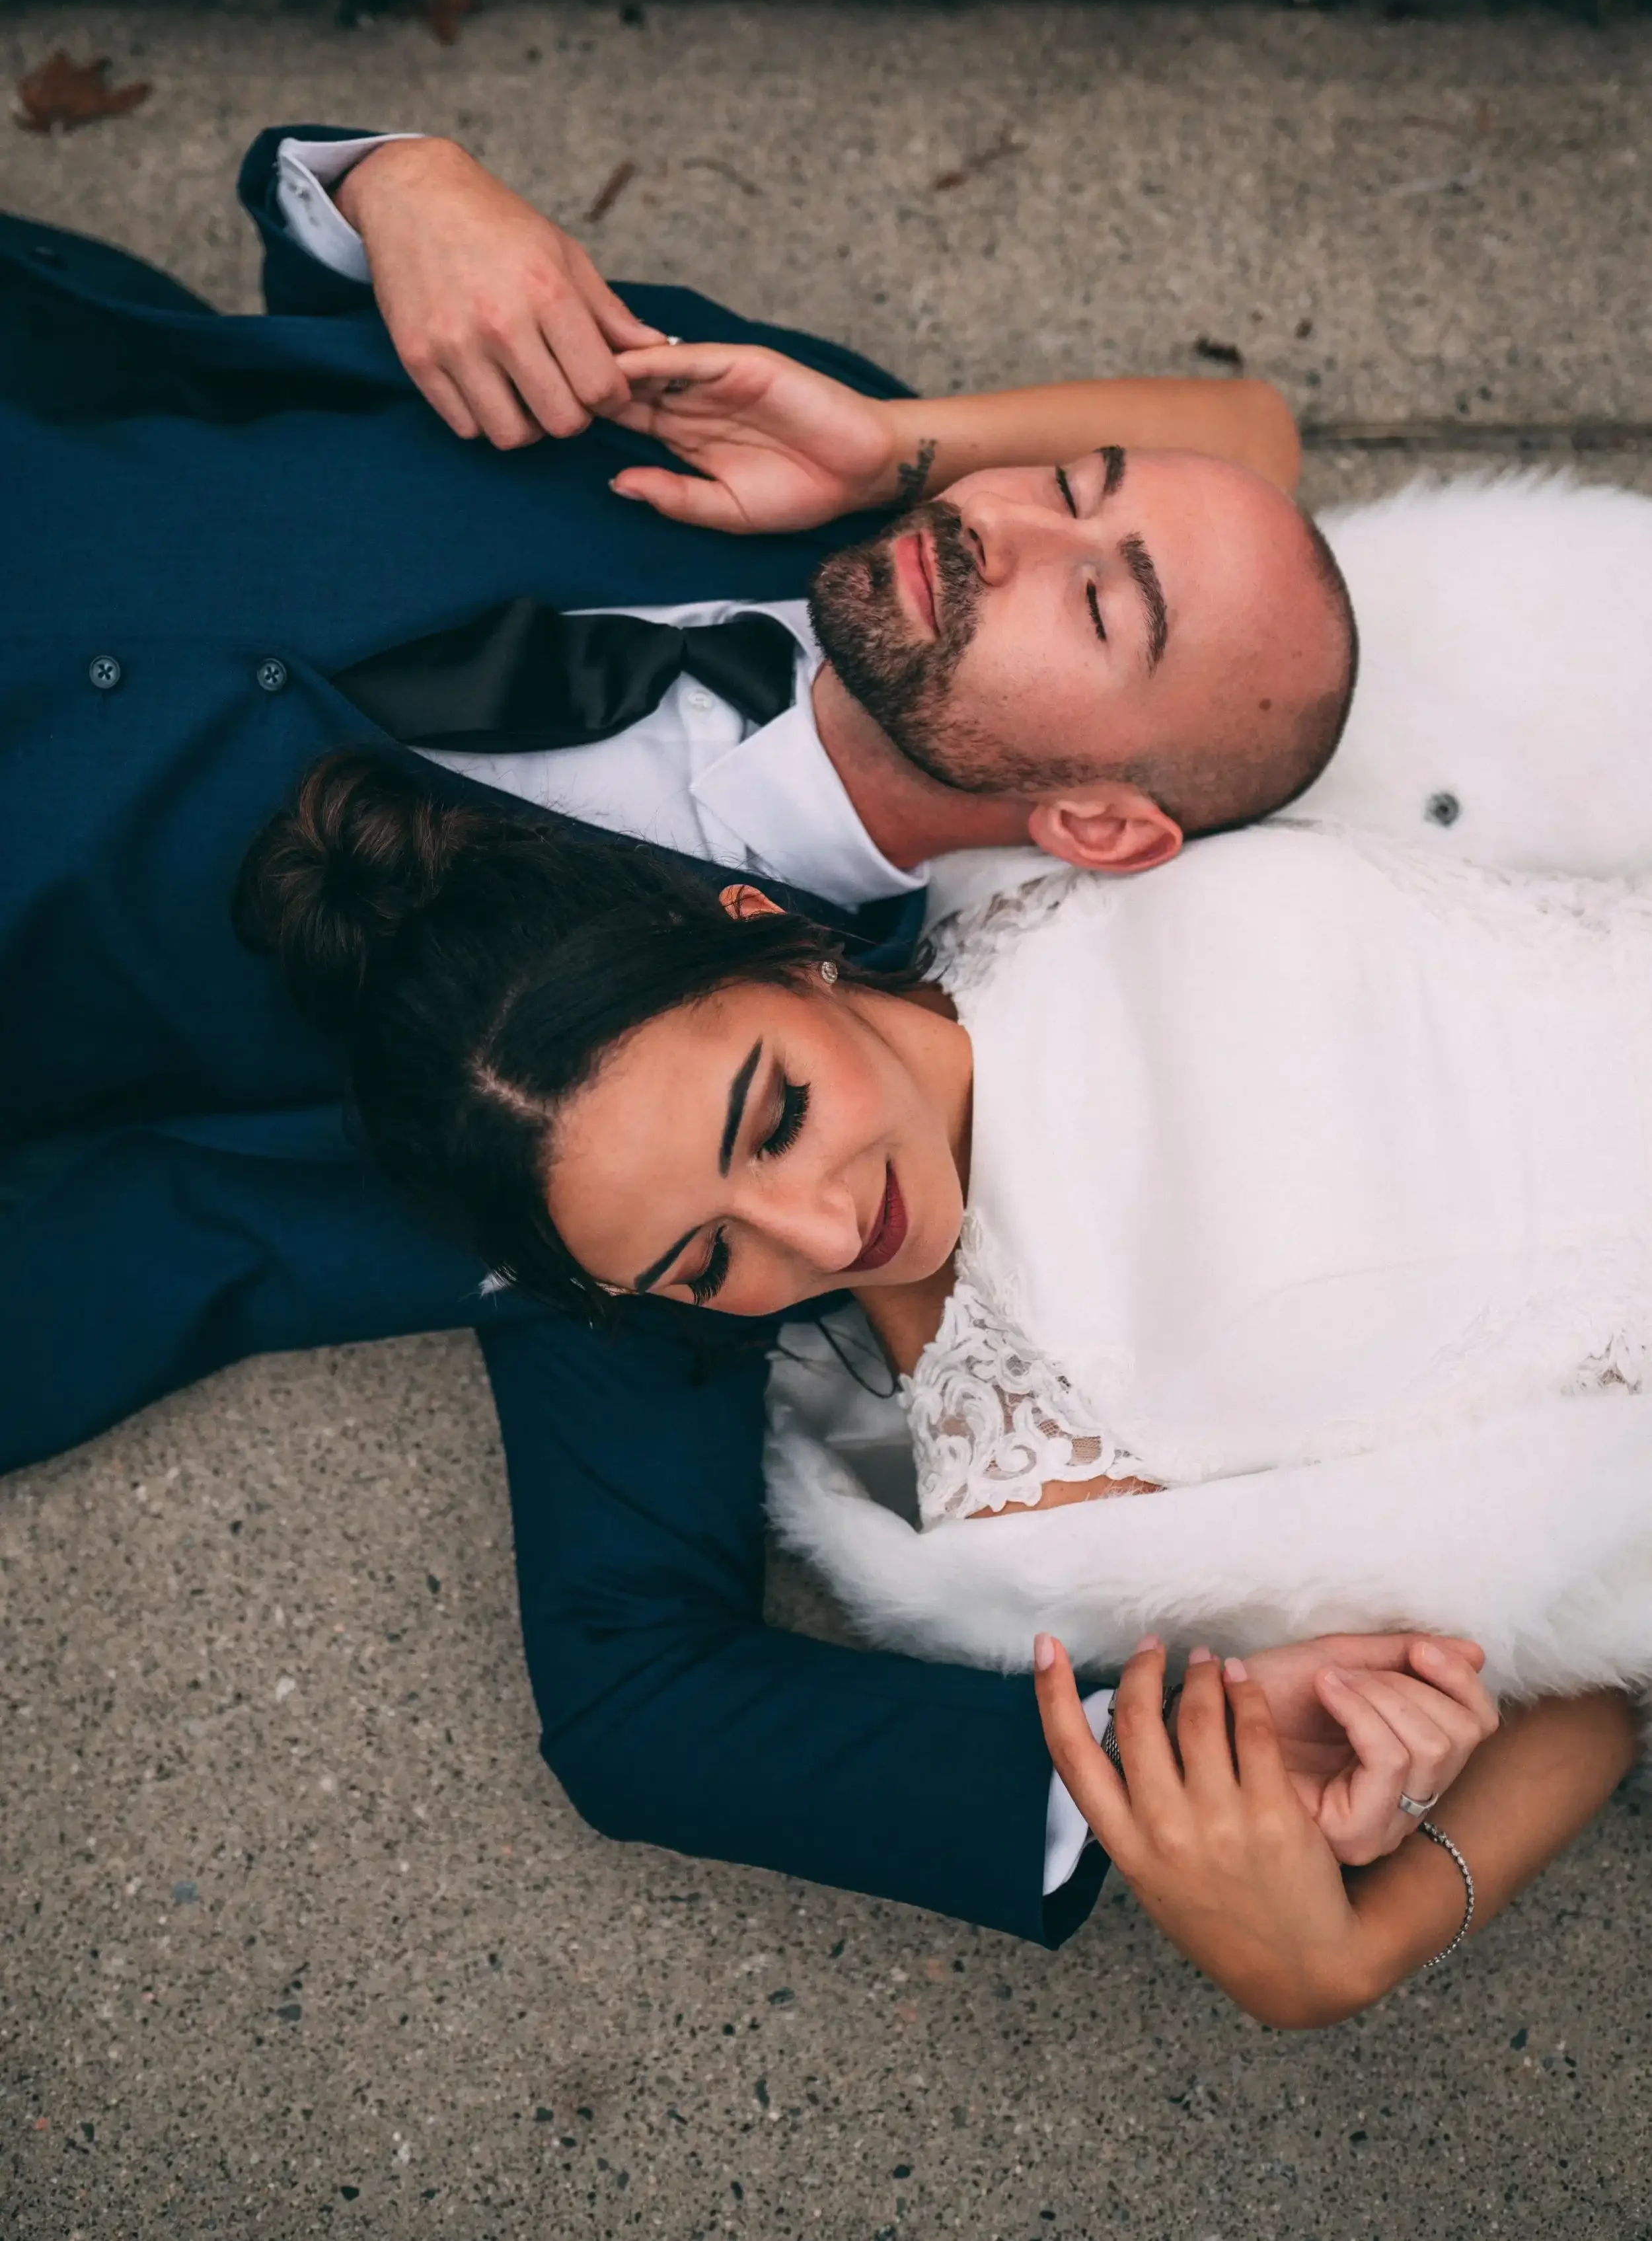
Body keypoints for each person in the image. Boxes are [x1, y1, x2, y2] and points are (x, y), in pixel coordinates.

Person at [0, 122, 1369, 1952]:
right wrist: (406, 179)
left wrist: (1172, 1770)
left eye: (1094, 595)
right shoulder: (805, 441)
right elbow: (1248, 436)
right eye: (1063, 478)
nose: (1002, 523)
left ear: (1099, 828)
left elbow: (642, 1698)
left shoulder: (747, 1124)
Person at [237, 745, 1648, 2026]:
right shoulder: (1043, 1502)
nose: (818, 1228)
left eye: (776, 1114)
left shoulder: (1052, 821)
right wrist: (1377, 1913)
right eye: (703, 1255)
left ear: (761, 937)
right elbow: (1574, 1663)